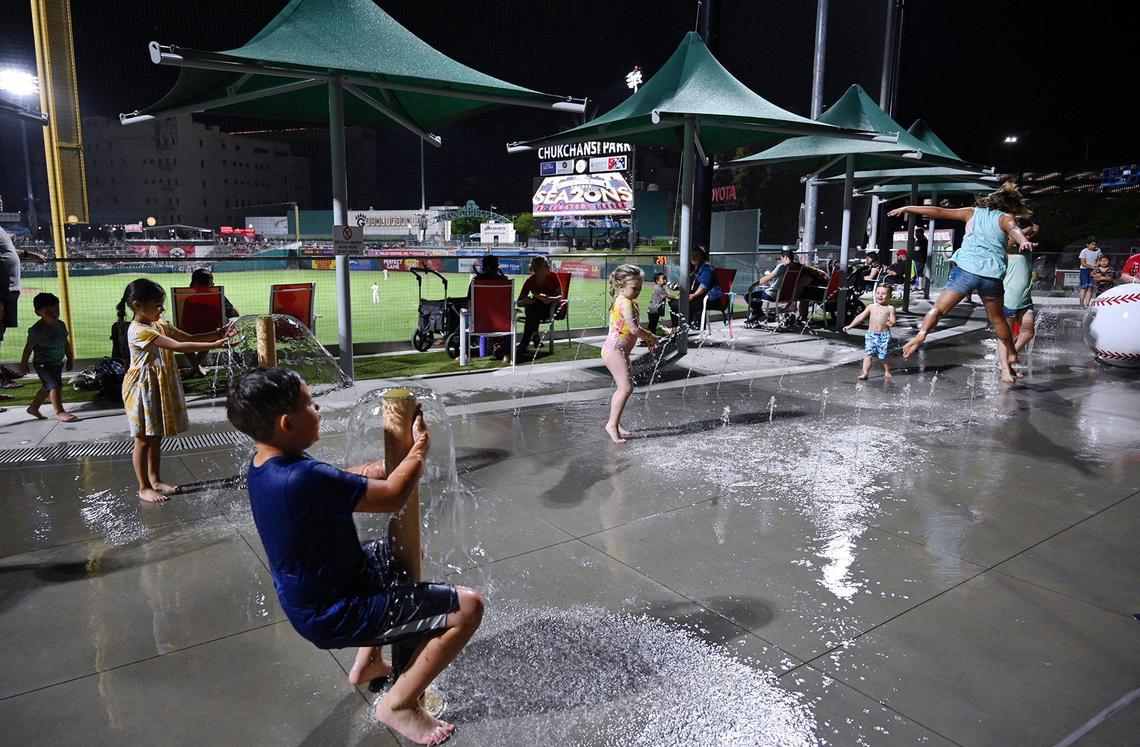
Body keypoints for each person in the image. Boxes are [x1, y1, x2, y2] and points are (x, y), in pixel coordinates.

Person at [227, 368, 483, 746]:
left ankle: (369, 662)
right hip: (339, 610)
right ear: (287, 422)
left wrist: (382, 468)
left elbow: (337, 479)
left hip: (317, 594)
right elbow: (393, 496)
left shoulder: (266, 465)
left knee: (403, 550)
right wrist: (418, 451)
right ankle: (399, 704)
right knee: (468, 608)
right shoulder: (303, 477)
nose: (319, 409)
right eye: (311, 404)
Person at [891, 183, 1036, 384]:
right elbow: (1013, 229)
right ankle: (1012, 353)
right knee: (997, 319)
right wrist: (1022, 241)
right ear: (1011, 206)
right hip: (991, 274)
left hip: (966, 271)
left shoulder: (972, 212)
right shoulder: (1006, 218)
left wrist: (909, 208)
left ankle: (921, 336)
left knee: (938, 309)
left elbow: (939, 211)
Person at [118, 279, 232, 503]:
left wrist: (217, 334)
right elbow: (178, 347)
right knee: (143, 438)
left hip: (157, 385)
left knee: (155, 435)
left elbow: (188, 338)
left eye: (162, 304)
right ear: (136, 304)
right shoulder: (138, 331)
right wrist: (214, 345)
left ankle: (155, 479)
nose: (161, 309)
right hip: (142, 388)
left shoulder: (159, 324)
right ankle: (144, 487)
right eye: (156, 305)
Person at [601, 264, 658, 444]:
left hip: (618, 351)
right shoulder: (625, 302)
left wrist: (649, 337)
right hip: (614, 350)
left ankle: (616, 423)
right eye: (635, 288)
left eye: (640, 287)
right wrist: (650, 336)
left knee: (623, 388)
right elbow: (633, 329)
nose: (638, 291)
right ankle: (611, 424)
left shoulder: (627, 300)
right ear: (622, 286)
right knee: (626, 388)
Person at [19, 292, 78, 422]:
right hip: (42, 363)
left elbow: (66, 343)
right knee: (54, 385)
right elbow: (28, 348)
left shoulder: (61, 325)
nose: (54, 313)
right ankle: (59, 412)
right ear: (38, 312)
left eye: (56, 309)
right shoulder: (36, 330)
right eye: (48, 311)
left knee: (48, 387)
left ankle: (33, 408)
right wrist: (23, 364)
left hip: (56, 362)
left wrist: (70, 358)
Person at [997, 222, 1039, 379]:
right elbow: (1012, 238)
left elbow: (1035, 227)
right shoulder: (1005, 248)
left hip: (1025, 300)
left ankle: (1008, 360)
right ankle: (1006, 370)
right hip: (1008, 300)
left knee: (1028, 333)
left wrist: (1023, 233)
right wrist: (1017, 233)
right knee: (1004, 336)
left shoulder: (1025, 247)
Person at [185, 268, 240, 377]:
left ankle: (195, 368)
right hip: (213, 333)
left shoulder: (187, 298)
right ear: (211, 284)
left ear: (193, 284)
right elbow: (235, 314)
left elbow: (183, 321)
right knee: (211, 332)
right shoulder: (218, 297)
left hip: (189, 335)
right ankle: (197, 368)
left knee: (185, 336)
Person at [844, 284, 896, 381]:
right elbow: (860, 317)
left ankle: (887, 370)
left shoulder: (890, 308)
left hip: (884, 336)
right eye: (878, 293)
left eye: (883, 294)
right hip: (871, 335)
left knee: (884, 355)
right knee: (868, 354)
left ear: (890, 296)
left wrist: (890, 323)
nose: (880, 295)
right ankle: (865, 373)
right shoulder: (871, 307)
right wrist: (850, 326)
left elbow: (893, 321)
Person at [515, 256, 563, 355]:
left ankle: (526, 343)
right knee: (531, 306)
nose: (549, 266)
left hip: (552, 309)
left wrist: (549, 299)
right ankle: (535, 336)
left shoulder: (553, 276)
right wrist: (526, 300)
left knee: (531, 311)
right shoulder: (530, 281)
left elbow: (560, 296)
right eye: (546, 265)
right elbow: (519, 302)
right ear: (537, 269)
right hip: (536, 311)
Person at [743, 249, 796, 326]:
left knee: (748, 295)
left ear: (785, 257)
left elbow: (767, 278)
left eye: (781, 258)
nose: (781, 260)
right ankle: (756, 315)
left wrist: (753, 285)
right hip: (786, 295)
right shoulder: (797, 268)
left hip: (773, 295)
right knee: (759, 295)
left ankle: (760, 315)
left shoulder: (782, 266)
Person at [646, 271, 677, 335]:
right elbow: (668, 296)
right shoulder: (658, 288)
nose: (665, 280)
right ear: (657, 281)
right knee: (652, 326)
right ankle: (649, 338)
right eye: (663, 278)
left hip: (653, 309)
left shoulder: (659, 287)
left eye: (665, 278)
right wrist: (676, 297)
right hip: (654, 310)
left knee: (652, 325)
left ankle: (649, 337)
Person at [1077, 237, 1101, 308]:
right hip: (1084, 270)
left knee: (1091, 287)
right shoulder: (1084, 251)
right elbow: (1083, 263)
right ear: (1087, 245)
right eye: (1092, 244)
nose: (1094, 246)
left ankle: (1087, 304)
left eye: (1095, 244)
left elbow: (1099, 260)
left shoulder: (1098, 250)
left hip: (1093, 270)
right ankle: (1081, 304)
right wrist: (1092, 267)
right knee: (1084, 287)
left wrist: (1097, 266)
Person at [912, 226, 930, 291]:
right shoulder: (924, 239)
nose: (915, 235)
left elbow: (917, 248)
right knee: (920, 273)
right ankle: (920, 286)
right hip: (921, 259)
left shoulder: (921, 240)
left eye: (916, 233)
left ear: (920, 233)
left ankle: (915, 286)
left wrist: (911, 248)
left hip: (919, 259)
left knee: (915, 272)